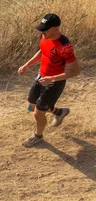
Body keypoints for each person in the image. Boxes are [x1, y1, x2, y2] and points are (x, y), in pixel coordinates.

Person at [18, 13, 81, 147]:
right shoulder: (44, 36)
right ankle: (59, 112)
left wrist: (51, 78)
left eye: (45, 29)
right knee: (31, 106)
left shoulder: (65, 47)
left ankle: (38, 136)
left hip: (54, 81)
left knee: (38, 113)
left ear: (55, 29)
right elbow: (43, 51)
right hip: (41, 76)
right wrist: (27, 65)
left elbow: (76, 71)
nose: (42, 31)